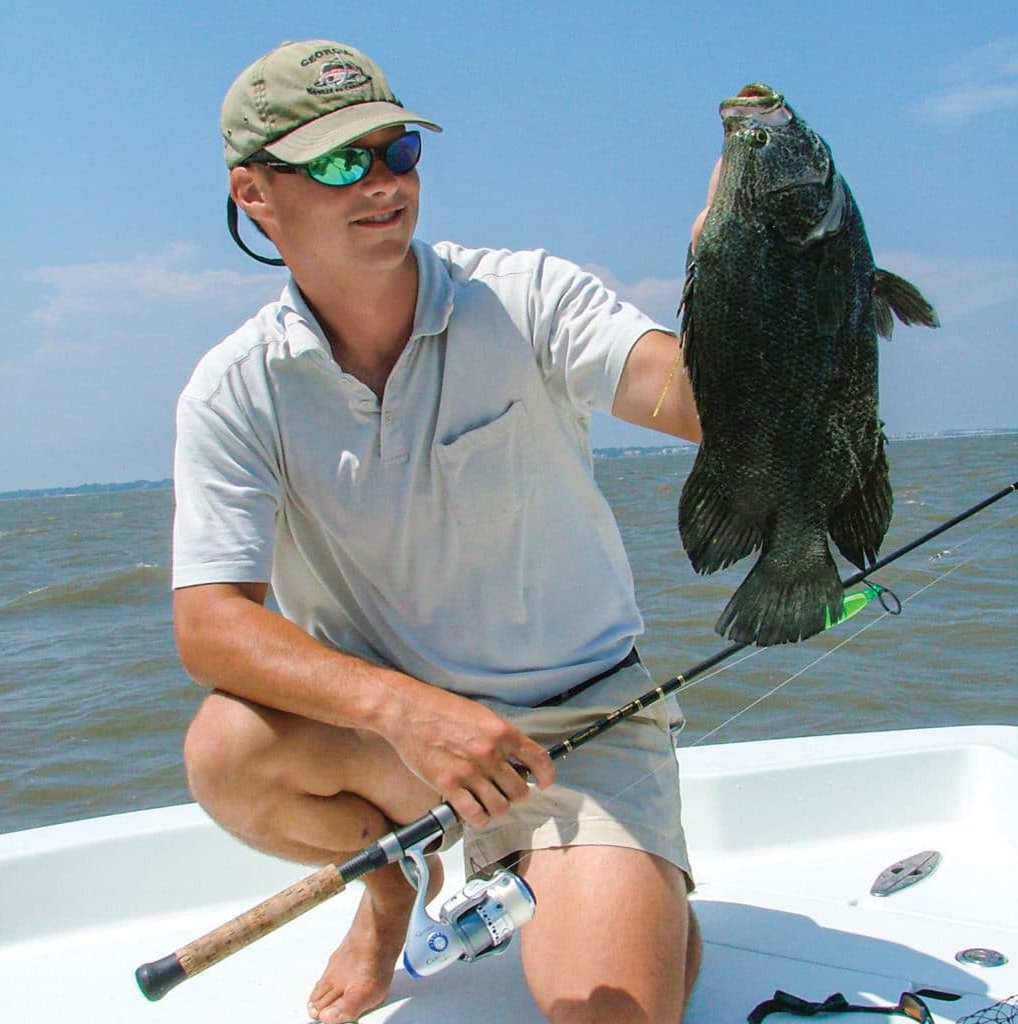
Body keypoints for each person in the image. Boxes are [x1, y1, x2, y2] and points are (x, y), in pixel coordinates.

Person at [173, 38, 708, 1024]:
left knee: (614, 1013)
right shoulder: (233, 387)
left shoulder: (526, 293)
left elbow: (691, 402)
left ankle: (619, 880)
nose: (380, 183)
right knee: (225, 747)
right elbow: (210, 623)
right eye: (339, 162)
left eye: (396, 152)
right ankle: (390, 890)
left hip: (579, 734)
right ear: (255, 194)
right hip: (397, 746)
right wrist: (405, 712)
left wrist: (740, 286)